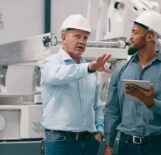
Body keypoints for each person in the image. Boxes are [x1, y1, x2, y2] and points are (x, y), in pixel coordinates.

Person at [104, 10, 161, 155]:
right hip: (126, 146)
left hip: (157, 147)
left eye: (135, 33)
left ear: (149, 36)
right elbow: (112, 109)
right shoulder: (121, 70)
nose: (130, 36)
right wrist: (109, 145)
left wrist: (150, 101)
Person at [40, 14, 111, 155]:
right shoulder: (51, 63)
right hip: (61, 141)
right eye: (77, 36)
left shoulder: (89, 68)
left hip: (90, 141)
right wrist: (89, 68)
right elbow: (61, 75)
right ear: (63, 37)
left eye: (85, 38)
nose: (82, 41)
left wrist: (100, 131)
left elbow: (97, 106)